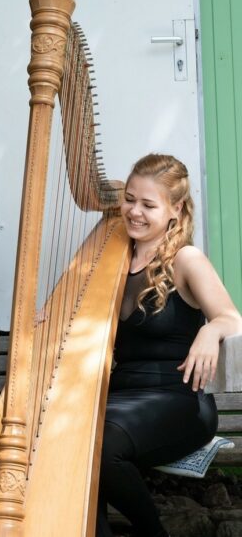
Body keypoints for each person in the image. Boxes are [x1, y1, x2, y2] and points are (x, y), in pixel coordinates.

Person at [97, 154, 242, 537]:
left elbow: (232, 318)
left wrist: (210, 331)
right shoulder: (109, 259)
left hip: (178, 399)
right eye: (129, 199)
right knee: (68, 439)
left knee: (98, 447)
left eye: (148, 204)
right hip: (120, 398)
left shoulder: (185, 259)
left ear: (175, 209)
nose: (134, 212)